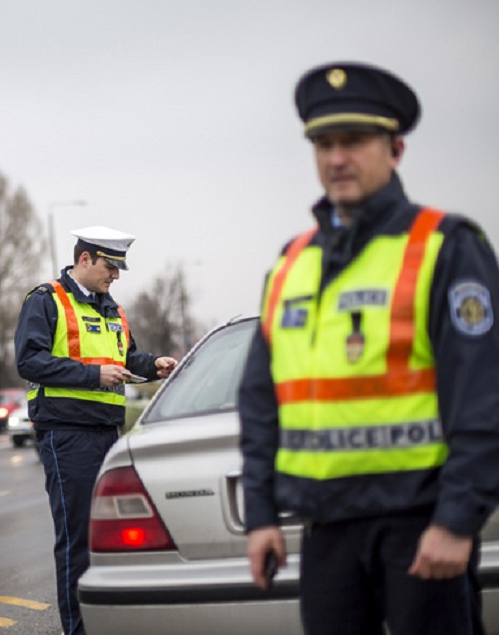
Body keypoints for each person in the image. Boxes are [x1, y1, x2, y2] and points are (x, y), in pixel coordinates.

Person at [239, 61, 499, 635]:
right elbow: (261, 402)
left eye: (354, 141)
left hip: (420, 528)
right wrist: (260, 516)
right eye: (324, 144)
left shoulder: (446, 248)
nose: (336, 159)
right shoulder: (292, 262)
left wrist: (457, 521)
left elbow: (484, 396)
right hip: (326, 532)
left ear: (396, 149)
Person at [14, 226, 177, 635]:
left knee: (112, 541)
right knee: (78, 541)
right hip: (66, 434)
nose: (116, 276)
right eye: (110, 266)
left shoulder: (111, 308)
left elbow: (126, 356)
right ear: (84, 259)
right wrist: (92, 375)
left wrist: (153, 364)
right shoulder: (46, 300)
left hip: (107, 434)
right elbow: (29, 361)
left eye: (119, 269)